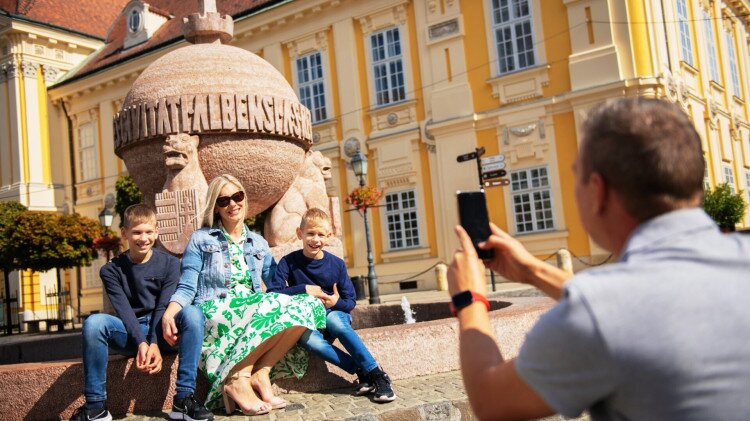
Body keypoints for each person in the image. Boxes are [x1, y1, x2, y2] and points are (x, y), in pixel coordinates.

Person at [446, 98, 750, 420]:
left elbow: (491, 400)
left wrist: (470, 299)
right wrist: (534, 271)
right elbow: (643, 307)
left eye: (576, 174)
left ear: (598, 191)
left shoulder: (598, 311)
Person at [162, 174, 326, 415]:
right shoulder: (201, 239)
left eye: (237, 197)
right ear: (215, 207)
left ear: (244, 199)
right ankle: (237, 380)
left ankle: (261, 372)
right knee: (268, 305)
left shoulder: (258, 242)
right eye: (224, 200)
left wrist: (309, 287)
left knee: (306, 306)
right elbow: (187, 286)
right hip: (215, 309)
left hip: (252, 307)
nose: (232, 204)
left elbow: (276, 288)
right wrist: (170, 312)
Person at [72, 204, 211, 421]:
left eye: (148, 232)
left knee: (193, 314)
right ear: (125, 233)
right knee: (94, 323)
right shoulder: (110, 270)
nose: (143, 238)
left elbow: (163, 306)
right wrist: (142, 343)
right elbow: (124, 312)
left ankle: (184, 399)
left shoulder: (171, 264)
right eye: (136, 232)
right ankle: (96, 406)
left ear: (157, 232)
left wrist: (154, 341)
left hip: (165, 332)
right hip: (129, 331)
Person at [267, 208, 396, 402]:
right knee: (312, 342)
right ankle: (362, 371)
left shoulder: (336, 264)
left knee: (335, 321)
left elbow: (350, 301)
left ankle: (377, 375)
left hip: (333, 313)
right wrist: (303, 289)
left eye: (321, 234)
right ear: (299, 233)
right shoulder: (288, 262)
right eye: (310, 233)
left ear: (329, 236)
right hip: (307, 320)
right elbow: (272, 293)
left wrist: (336, 302)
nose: (315, 239)